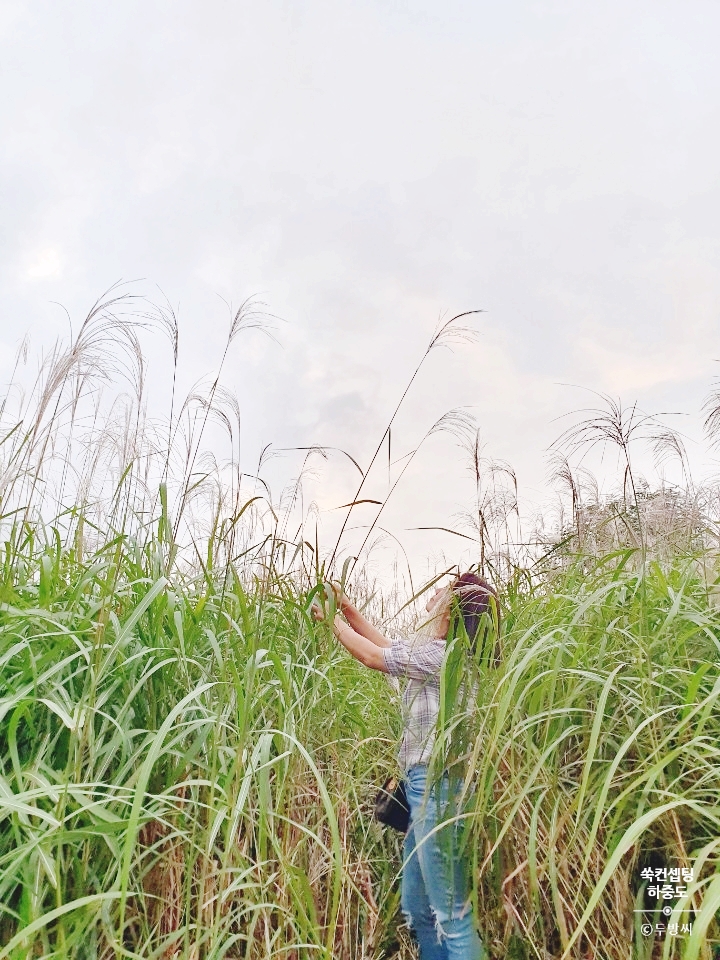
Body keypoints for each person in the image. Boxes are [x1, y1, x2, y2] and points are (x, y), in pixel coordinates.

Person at [311, 572, 499, 960]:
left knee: (451, 914)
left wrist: (330, 621)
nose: (433, 591)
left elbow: (371, 657)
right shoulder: (437, 653)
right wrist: (346, 607)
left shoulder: (445, 656)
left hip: (438, 788)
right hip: (425, 789)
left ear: (453, 607)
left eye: (443, 589)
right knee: (418, 909)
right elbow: (386, 645)